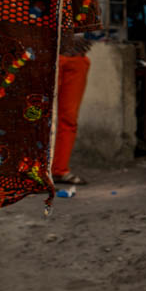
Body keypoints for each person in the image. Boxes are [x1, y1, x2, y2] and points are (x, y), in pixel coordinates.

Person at [53, 34, 93, 186]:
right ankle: (34, 173)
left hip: (76, 59)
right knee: (39, 116)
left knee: (69, 118)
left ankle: (59, 170)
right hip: (48, 55)